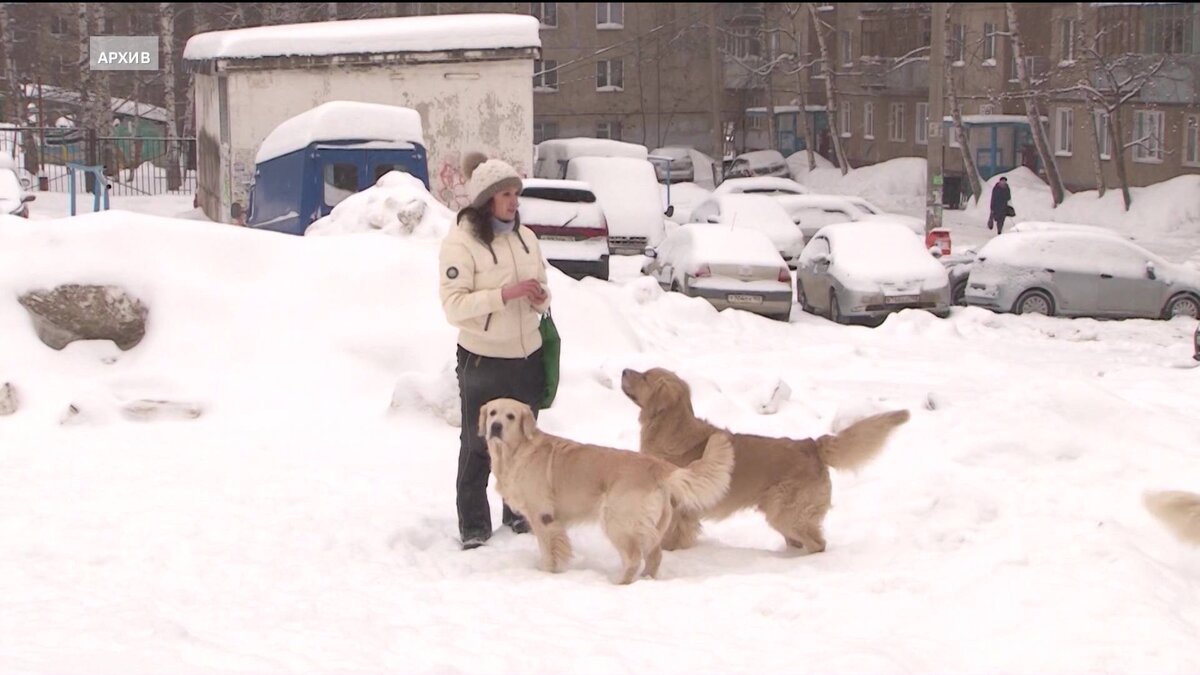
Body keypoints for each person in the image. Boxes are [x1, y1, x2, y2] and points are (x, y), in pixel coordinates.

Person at [438, 152, 551, 550]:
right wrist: (503, 295)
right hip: (483, 358)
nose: (514, 202)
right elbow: (454, 306)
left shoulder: (527, 238)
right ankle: (473, 524)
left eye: (516, 193)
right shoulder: (460, 243)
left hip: (527, 355)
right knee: (478, 442)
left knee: (525, 439)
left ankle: (519, 511)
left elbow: (543, 290)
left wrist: (538, 297)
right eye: (505, 194)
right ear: (487, 201)